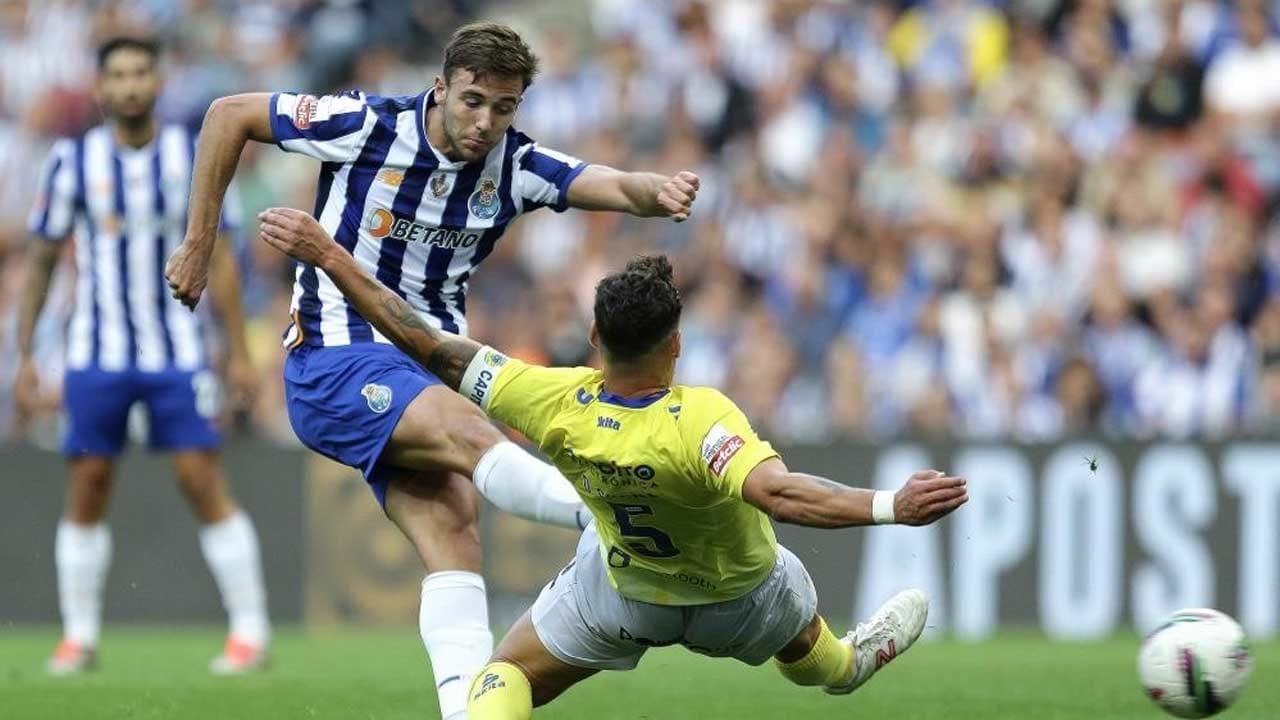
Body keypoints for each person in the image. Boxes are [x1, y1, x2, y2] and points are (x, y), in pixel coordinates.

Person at [164, 22, 701, 719]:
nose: (485, 123)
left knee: (454, 530)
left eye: (504, 109)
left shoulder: (514, 166)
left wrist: (655, 189)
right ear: (441, 87)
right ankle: (614, 515)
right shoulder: (365, 124)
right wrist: (200, 244)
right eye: (473, 101)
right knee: (474, 435)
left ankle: (465, 713)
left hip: (425, 365)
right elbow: (227, 113)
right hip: (335, 354)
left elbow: (607, 184)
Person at [254, 205, 970, 719]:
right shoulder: (703, 418)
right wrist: (890, 506)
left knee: (501, 676)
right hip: (740, 601)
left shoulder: (549, 397)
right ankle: (852, 664)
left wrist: (332, 258)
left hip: (625, 598)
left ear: (594, 335)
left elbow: (428, 344)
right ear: (677, 344)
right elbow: (782, 496)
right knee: (822, 661)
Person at [16, 37, 269, 676]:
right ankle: (78, 637)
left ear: (158, 83)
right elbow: (43, 261)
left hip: (178, 349)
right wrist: (24, 355)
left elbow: (223, 261)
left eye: (140, 73)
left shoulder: (194, 156)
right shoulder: (70, 161)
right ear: (100, 89)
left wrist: (238, 352)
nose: (130, 86)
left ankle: (250, 630)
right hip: (94, 351)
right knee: (89, 483)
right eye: (118, 75)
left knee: (200, 478)